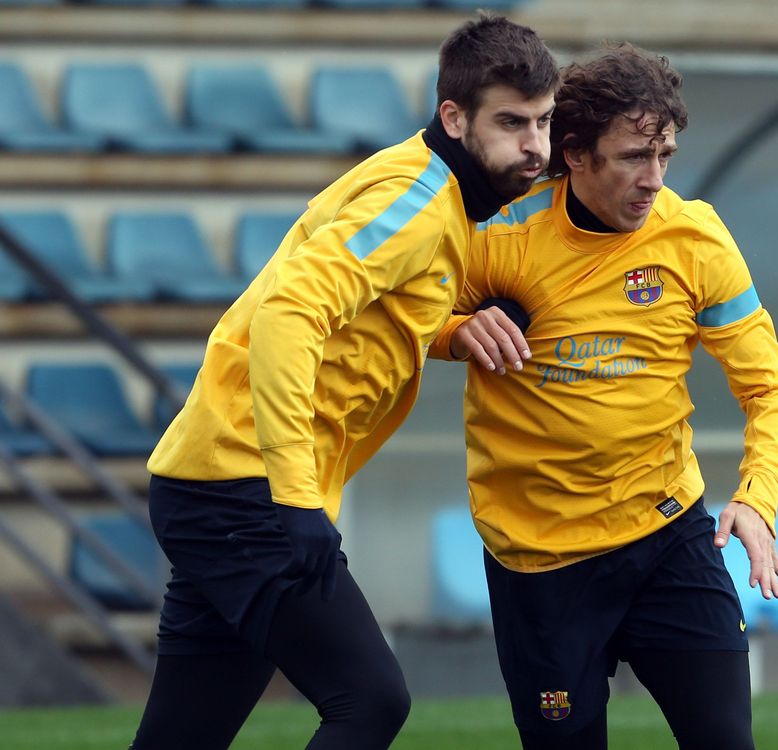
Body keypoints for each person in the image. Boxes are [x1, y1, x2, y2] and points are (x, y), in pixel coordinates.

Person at [128, 14, 558, 750]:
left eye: (544, 122)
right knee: (371, 700)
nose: (536, 146)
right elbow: (289, 314)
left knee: (182, 737)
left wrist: (452, 330)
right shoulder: (421, 203)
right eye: (512, 123)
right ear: (454, 118)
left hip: (217, 487)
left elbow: (366, 315)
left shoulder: (434, 190)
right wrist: (295, 499)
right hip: (247, 490)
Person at [429, 44, 778, 750]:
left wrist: (758, 496)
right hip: (541, 559)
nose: (653, 179)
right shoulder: (498, 237)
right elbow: (399, 321)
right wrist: (457, 332)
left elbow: (770, 385)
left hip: (667, 533)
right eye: (634, 156)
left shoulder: (695, 239)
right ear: (573, 153)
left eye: (665, 156)